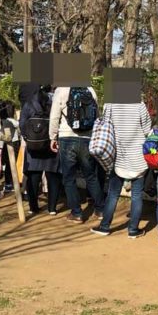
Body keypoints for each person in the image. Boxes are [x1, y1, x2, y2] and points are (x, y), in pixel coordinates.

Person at [91, 97, 152, 238]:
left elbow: (105, 126)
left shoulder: (110, 103)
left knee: (113, 194)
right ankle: (133, 230)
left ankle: (104, 226)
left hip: (118, 157)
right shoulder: (139, 104)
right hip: (138, 158)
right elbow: (147, 129)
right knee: (136, 196)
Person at [49, 85, 103, 224]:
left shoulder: (61, 90)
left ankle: (77, 213)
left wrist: (53, 137)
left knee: (69, 177)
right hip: (87, 138)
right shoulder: (90, 89)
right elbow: (97, 115)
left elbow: (54, 116)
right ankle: (100, 209)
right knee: (91, 176)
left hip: (67, 137)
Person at [19, 84, 63, 215]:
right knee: (53, 175)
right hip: (51, 144)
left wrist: (28, 138)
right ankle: (52, 208)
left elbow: (22, 124)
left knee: (33, 175)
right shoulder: (55, 101)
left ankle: (33, 207)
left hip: (33, 145)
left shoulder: (29, 104)